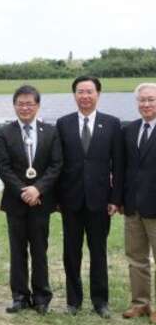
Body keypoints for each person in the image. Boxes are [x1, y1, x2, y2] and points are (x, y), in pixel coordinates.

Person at [56, 75, 123, 318]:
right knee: (71, 253)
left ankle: (100, 301)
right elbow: (57, 164)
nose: (85, 96)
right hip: (70, 201)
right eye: (80, 92)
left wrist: (115, 199)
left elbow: (119, 165)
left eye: (89, 92)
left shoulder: (112, 123)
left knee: (98, 252)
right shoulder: (63, 124)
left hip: (100, 201)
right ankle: (73, 301)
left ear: (98, 94)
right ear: (74, 95)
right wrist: (57, 199)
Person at [0, 85, 62, 315]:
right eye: (20, 104)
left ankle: (42, 297)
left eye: (29, 104)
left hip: (41, 202)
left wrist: (38, 190)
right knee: (17, 251)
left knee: (40, 251)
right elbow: (3, 167)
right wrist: (24, 190)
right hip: (16, 202)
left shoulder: (51, 132)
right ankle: (20, 296)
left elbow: (56, 165)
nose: (25, 108)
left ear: (37, 106)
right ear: (14, 106)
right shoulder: (5, 132)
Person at [121, 83, 156, 322]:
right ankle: (140, 303)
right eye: (142, 100)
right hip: (133, 207)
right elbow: (123, 169)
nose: (146, 104)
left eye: (151, 100)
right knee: (136, 259)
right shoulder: (129, 130)